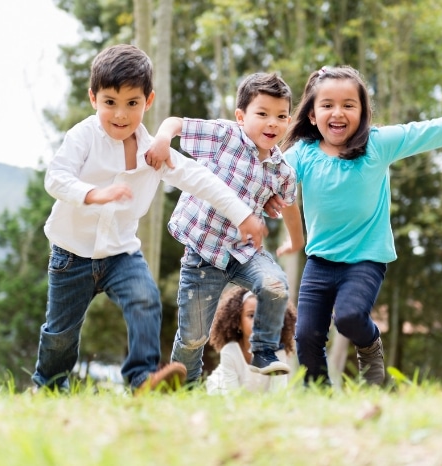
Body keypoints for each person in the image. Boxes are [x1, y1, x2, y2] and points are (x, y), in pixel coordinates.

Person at [32, 44, 266, 395]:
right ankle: (47, 385)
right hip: (71, 254)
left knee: (146, 299)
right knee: (61, 332)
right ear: (93, 98)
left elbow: (200, 179)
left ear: (148, 100)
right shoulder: (83, 136)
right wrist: (94, 194)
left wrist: (243, 214)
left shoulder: (152, 152)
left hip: (120, 254)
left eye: (132, 103)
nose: (120, 114)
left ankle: (142, 380)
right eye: (110, 102)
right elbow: (56, 177)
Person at [275, 65, 442, 386]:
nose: (338, 112)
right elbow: (269, 179)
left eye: (348, 105)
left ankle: (371, 345)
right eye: (327, 105)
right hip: (320, 261)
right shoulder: (302, 155)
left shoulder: (378, 145)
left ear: (363, 112)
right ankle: (319, 394)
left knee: (350, 317)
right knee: (307, 335)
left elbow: (431, 130)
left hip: (366, 259)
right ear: (312, 115)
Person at [144, 72, 304, 385]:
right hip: (203, 255)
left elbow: (290, 207)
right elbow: (176, 123)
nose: (272, 123)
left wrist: (296, 241)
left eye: (281, 116)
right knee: (193, 337)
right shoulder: (224, 136)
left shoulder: (281, 170)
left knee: (275, 285)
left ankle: (263, 349)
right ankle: (182, 388)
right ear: (241, 116)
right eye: (262, 114)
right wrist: (162, 140)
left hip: (244, 252)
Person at [206, 286, 297, 394]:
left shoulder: (278, 353)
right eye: (251, 315)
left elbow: (279, 394)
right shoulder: (230, 351)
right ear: (238, 322)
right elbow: (232, 395)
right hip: (223, 389)